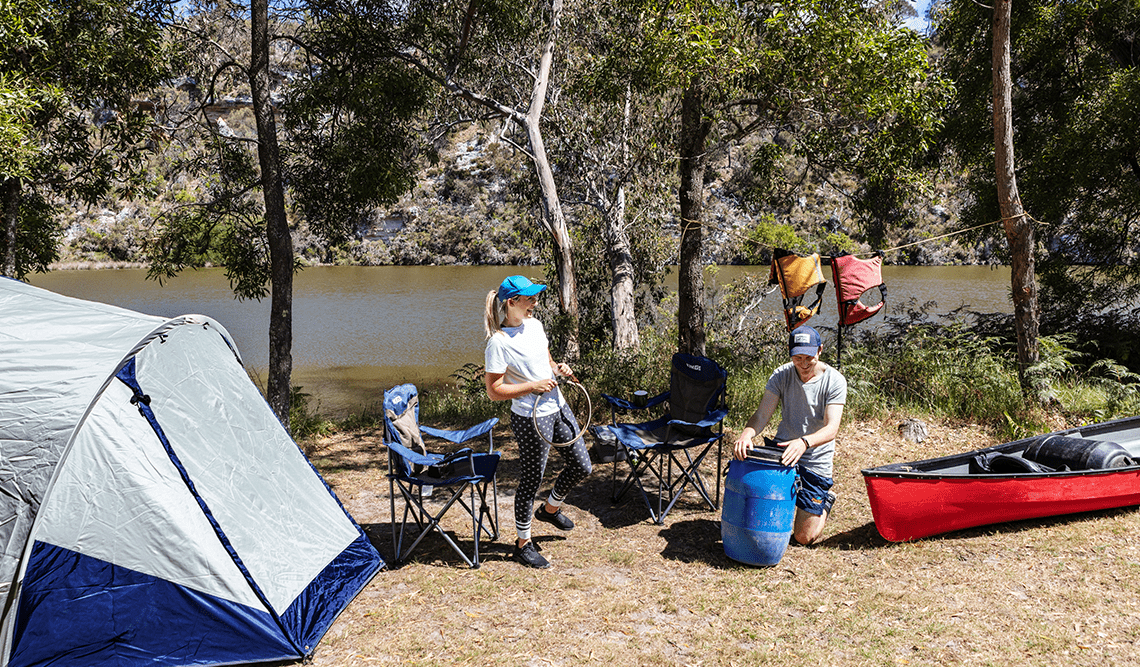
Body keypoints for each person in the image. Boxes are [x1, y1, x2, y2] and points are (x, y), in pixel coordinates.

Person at [484, 275, 593, 569]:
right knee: (532, 480)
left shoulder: (535, 325)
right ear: (511, 302)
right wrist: (531, 386)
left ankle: (550, 508)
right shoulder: (499, 342)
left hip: (557, 405)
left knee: (583, 465)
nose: (535, 303)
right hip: (531, 418)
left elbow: (546, 361)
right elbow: (494, 391)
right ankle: (522, 544)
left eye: (535, 297)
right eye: (529, 299)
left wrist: (559, 369)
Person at [731, 325, 846, 545]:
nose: (803, 364)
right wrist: (746, 434)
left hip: (814, 460)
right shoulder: (781, 375)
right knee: (757, 516)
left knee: (804, 537)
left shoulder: (835, 380)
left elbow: (832, 429)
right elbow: (761, 415)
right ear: (789, 352)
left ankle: (825, 501)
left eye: (809, 358)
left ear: (820, 350)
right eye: (797, 357)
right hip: (782, 453)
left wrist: (804, 443)